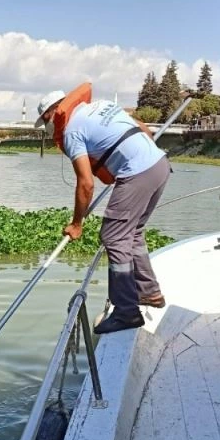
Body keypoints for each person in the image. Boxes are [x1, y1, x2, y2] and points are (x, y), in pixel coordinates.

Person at [35, 83, 171, 334]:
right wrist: (138, 156)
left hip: (138, 173)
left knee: (113, 236)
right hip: (159, 164)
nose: (49, 129)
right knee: (134, 231)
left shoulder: (71, 132)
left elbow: (86, 183)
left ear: (49, 115)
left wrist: (77, 224)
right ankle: (149, 292)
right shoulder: (102, 106)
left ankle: (126, 311)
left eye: (46, 123)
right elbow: (143, 129)